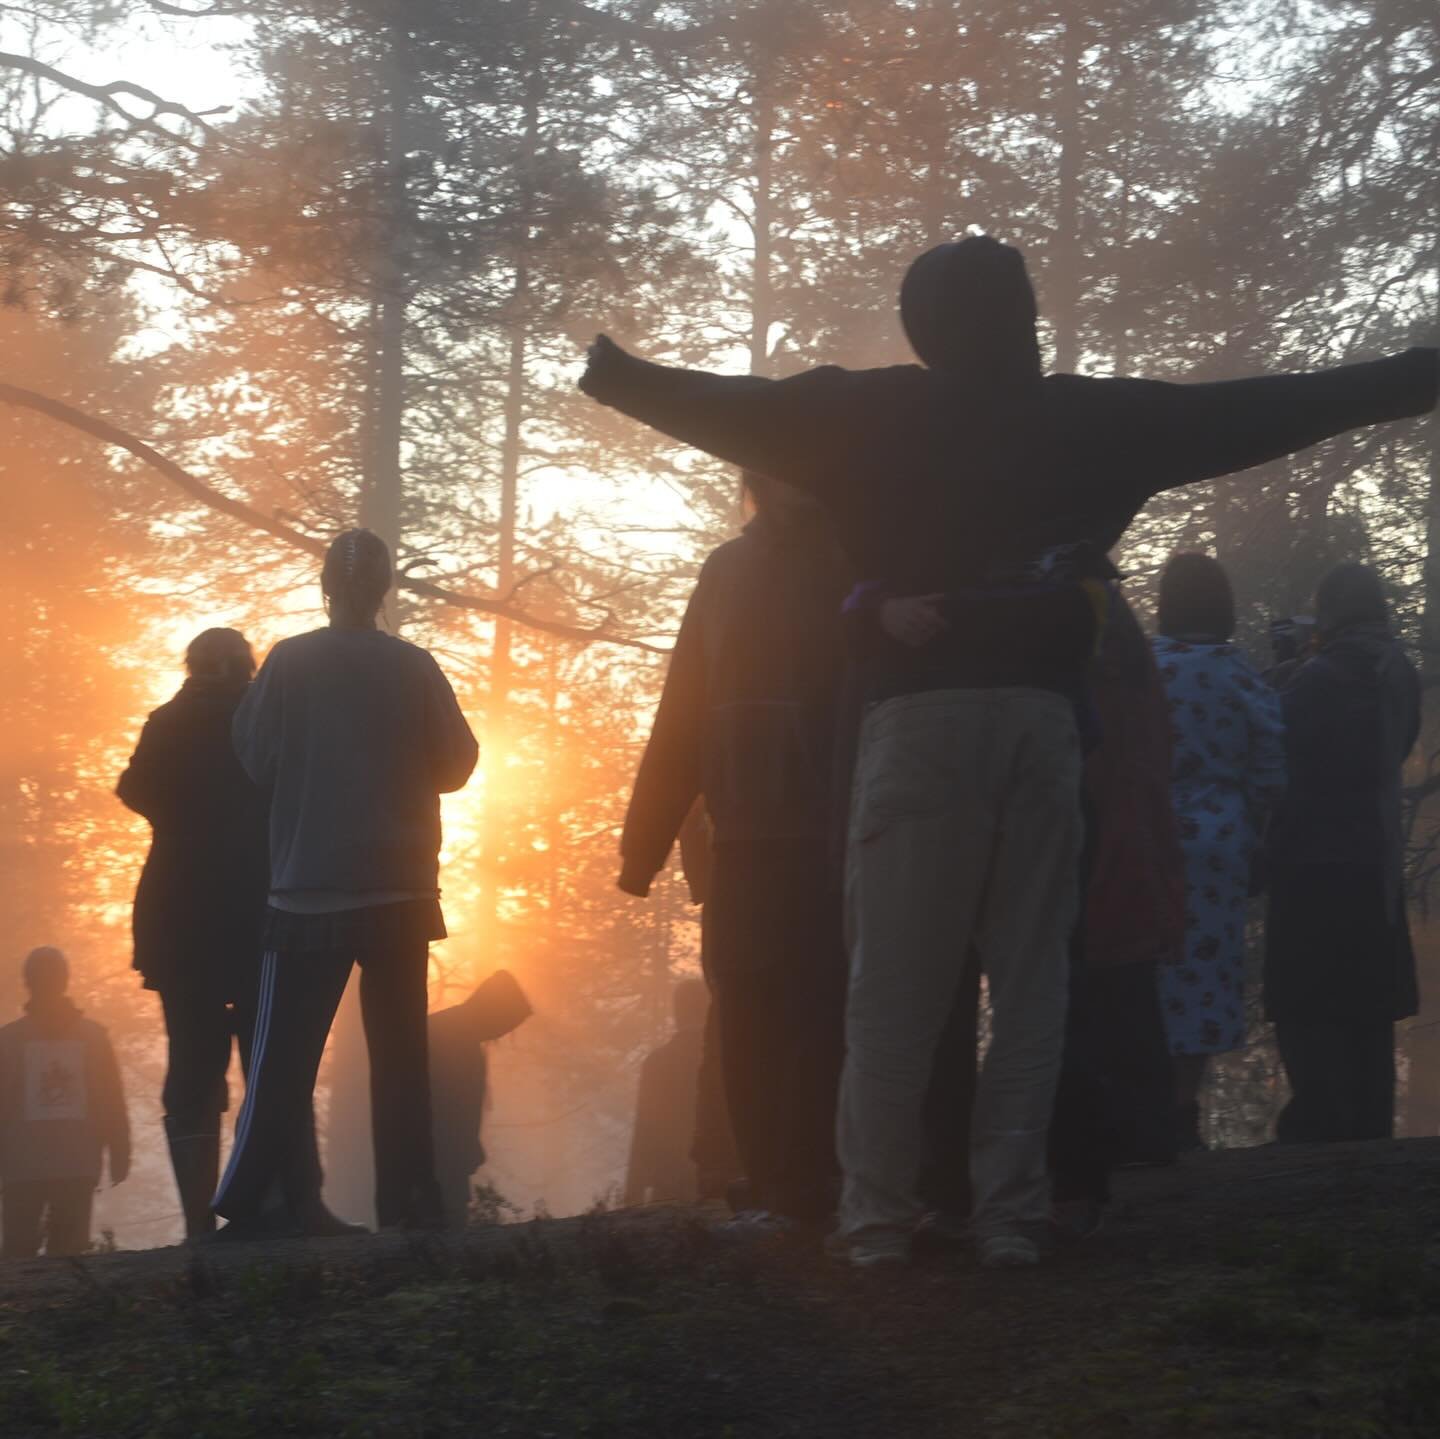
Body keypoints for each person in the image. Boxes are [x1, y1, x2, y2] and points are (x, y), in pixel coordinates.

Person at [579, 233, 1437, 1268]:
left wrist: (621, 376)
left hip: (918, 728)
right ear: (1024, 314)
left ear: (920, 329)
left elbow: (742, 408)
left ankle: (879, 1220)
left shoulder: (868, 416)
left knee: (895, 987)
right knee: (1033, 985)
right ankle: (1011, 1216)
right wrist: (1409, 377)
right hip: (1039, 729)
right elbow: (1255, 409)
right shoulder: (1085, 422)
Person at [214, 528, 478, 1236]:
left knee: (284, 1059)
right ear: (386, 590)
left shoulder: (290, 663)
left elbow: (255, 757)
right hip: (400, 892)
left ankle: (249, 1203)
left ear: (326, 586)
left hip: (307, 890)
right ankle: (409, 1205)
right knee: (400, 1059)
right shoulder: (415, 666)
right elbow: (457, 765)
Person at [618, 471, 852, 1227]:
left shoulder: (851, 563)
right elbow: (683, 706)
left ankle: (808, 1175)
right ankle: (772, 1175)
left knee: (820, 1006)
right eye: (778, 470)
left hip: (832, 834)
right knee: (749, 1006)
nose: (796, 486)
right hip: (745, 833)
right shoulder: (726, 572)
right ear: (754, 483)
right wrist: (643, 845)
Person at [117, 628, 341, 1240]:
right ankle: (294, 1206)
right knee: (273, 1064)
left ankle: (200, 1225)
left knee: (194, 1066)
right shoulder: (265, 724)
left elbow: (135, 790)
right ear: (250, 669)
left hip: (181, 922)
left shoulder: (168, 723)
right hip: (256, 921)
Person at [1265, 562, 1420, 1142]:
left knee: (1306, 1008)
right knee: (1367, 1016)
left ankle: (1315, 1135)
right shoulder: (1398, 670)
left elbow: (1272, 736)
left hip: (1310, 863)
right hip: (1375, 866)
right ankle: (1370, 1135)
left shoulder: (1316, 677)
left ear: (1330, 613)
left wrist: (1286, 665)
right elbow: (1401, 742)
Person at [1150, 553, 1285, 1151]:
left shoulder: (1144, 669)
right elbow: (1270, 773)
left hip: (1147, 840)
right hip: (1218, 847)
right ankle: (1182, 1109)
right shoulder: (1241, 675)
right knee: (1202, 978)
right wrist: (1253, 830)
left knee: (1144, 967)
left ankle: (1137, 1108)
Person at [0, 948, 129, 1258]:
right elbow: (111, 1100)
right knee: (68, 1260)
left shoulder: (8, 1040)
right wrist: (120, 1150)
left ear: (26, 982)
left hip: (21, 1168)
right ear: (66, 980)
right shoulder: (94, 1038)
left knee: (18, 1260)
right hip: (77, 1164)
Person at [428, 968, 532, 1230]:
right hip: (438, 1164)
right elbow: (450, 1110)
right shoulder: (451, 1039)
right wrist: (465, 1150)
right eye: (505, 1024)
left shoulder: (452, 1033)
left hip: (442, 1161)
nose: (501, 1035)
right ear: (493, 1011)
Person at [624, 978, 710, 1207]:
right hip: (717, 1181)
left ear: (677, 1013)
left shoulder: (657, 1063)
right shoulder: (725, 1061)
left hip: (668, 1183)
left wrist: (633, 1193)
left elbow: (645, 1129)